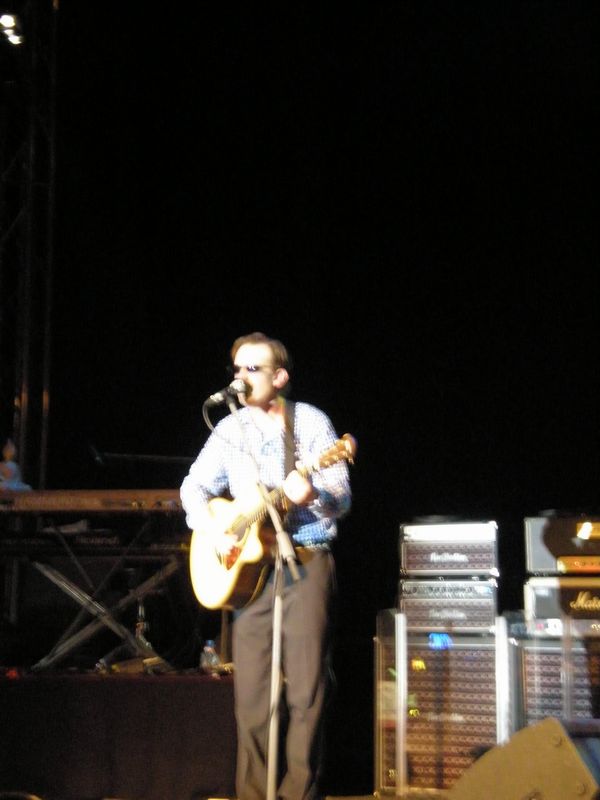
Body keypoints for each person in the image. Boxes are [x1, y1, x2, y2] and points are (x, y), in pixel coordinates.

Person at [180, 331, 352, 800]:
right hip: (252, 572)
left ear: (279, 378)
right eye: (237, 368)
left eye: (252, 369)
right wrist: (213, 527)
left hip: (305, 560)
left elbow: (341, 497)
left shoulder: (310, 422)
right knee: (253, 694)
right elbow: (193, 487)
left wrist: (312, 494)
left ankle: (299, 793)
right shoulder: (229, 429)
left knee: (307, 689)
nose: (240, 378)